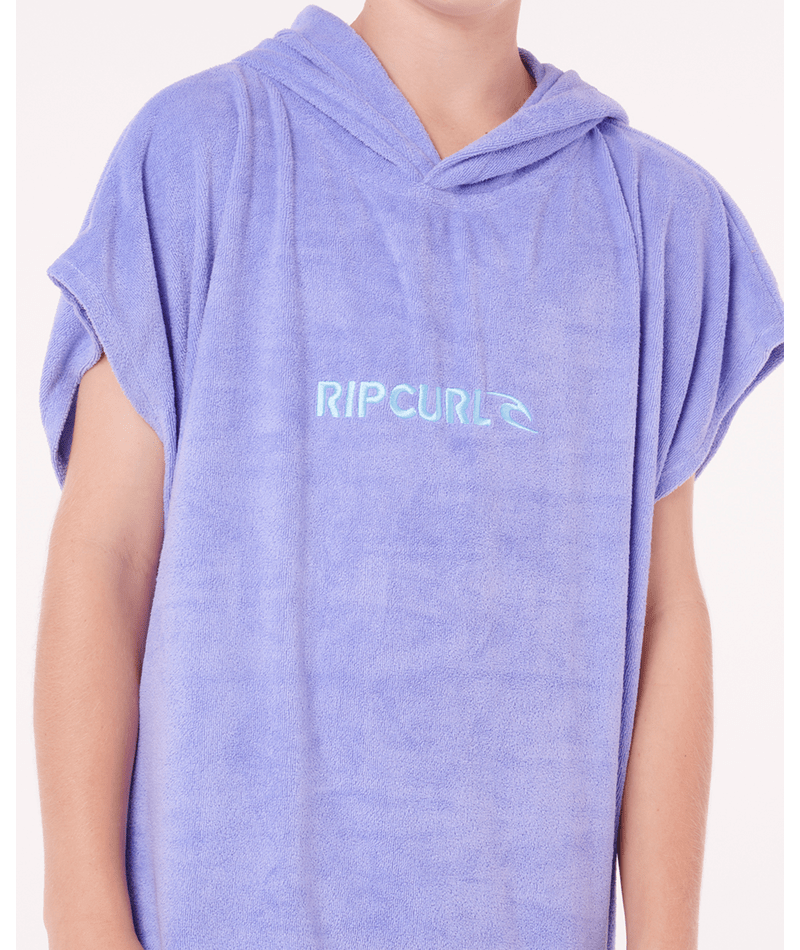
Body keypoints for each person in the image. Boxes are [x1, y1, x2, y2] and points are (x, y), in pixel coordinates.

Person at [33, 1, 784, 948]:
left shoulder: (658, 222)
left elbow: (664, 610)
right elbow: (105, 554)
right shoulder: (199, 151)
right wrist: (83, 917)